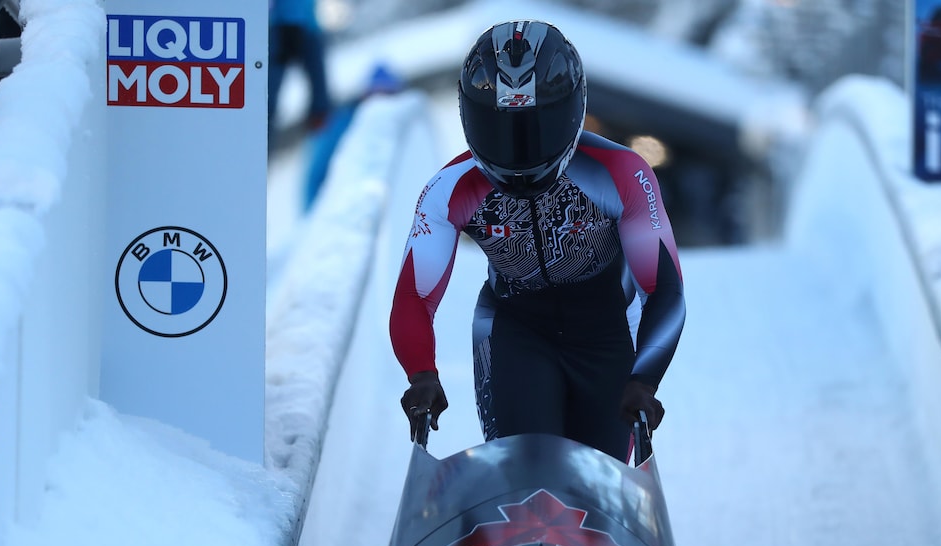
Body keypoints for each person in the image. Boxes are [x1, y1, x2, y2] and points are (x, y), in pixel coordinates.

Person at [389, 19, 686, 463]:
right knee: (525, 478)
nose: (519, 153)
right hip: (516, 335)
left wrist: (643, 381)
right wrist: (421, 373)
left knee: (596, 485)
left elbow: (663, 288)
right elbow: (414, 296)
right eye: (500, 130)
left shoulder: (623, 172)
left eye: (538, 128)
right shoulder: (448, 189)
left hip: (605, 336)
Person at [301, 62, 403, 212]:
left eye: (388, 95)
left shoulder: (398, 128)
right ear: (364, 97)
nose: (382, 104)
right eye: (376, 96)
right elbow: (315, 175)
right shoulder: (341, 126)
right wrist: (312, 215)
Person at [268, 0, 331, 133]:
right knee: (267, 97)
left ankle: (318, 139)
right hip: (280, 28)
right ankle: (261, 144)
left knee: (320, 101)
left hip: (305, 25)